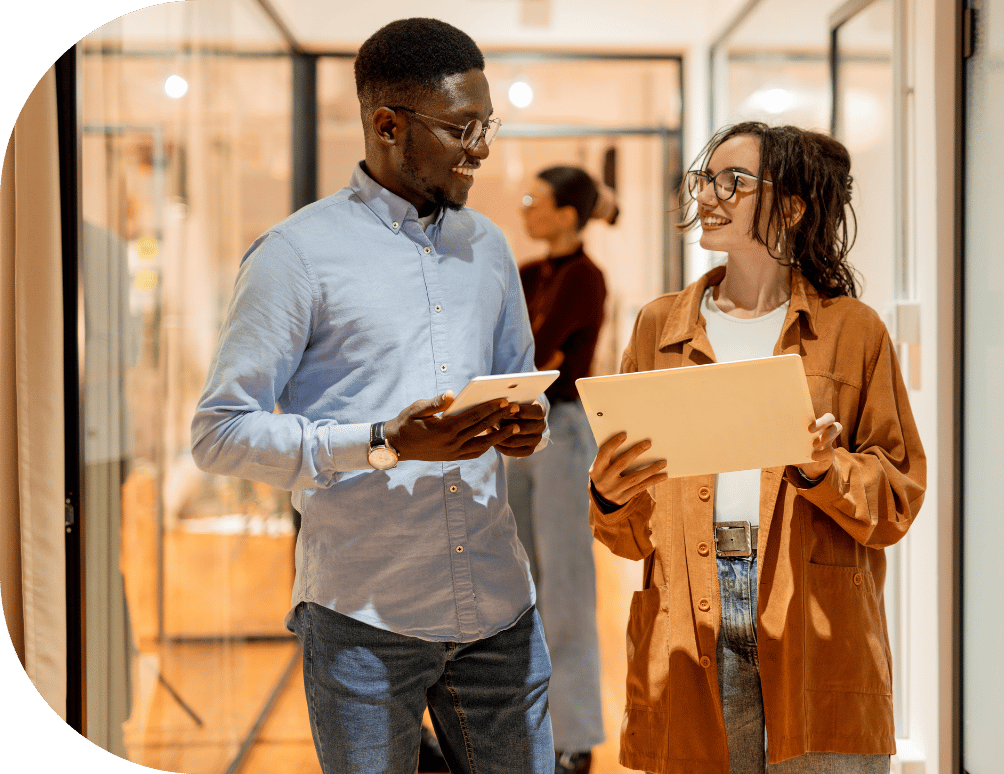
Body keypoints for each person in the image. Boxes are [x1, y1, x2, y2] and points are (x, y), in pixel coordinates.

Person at [191, 18, 555, 774]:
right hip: (364, 621)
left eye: (485, 124)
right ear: (388, 124)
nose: (481, 147)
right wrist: (384, 442)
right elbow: (219, 432)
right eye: (462, 128)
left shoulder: (487, 247)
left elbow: (523, 381)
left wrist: (528, 425)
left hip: (499, 610)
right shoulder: (295, 255)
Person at [587, 122, 926, 774]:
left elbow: (897, 501)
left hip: (818, 620)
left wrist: (825, 468)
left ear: (792, 208)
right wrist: (607, 493)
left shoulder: (853, 331)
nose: (709, 195)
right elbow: (627, 537)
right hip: (688, 618)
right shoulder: (659, 327)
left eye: (733, 182)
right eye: (704, 179)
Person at [508, 166, 616, 774]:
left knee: (566, 588)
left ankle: (573, 737)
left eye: (536, 201)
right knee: (519, 586)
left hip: (564, 432)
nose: (526, 209)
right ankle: (526, 728)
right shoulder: (527, 274)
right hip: (517, 434)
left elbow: (536, 351)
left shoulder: (585, 279)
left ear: (568, 214)